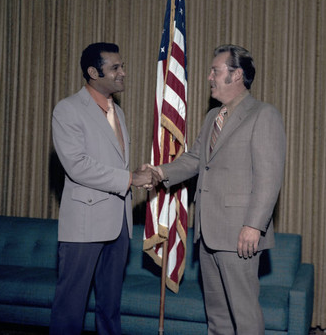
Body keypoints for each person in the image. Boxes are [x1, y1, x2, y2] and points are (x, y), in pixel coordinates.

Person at [150, 44, 286, 334]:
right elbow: (194, 160)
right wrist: (159, 172)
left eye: (215, 70)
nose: (209, 76)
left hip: (240, 234)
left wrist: (253, 226)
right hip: (208, 231)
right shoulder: (213, 117)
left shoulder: (264, 114)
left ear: (236, 75)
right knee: (218, 316)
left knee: (244, 314)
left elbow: (269, 177)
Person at [49, 42, 160, 335]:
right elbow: (78, 166)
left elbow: (111, 162)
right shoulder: (68, 109)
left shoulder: (117, 112)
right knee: (70, 306)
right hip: (84, 225)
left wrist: (134, 174)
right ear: (92, 72)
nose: (123, 72)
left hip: (119, 224)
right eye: (115, 68)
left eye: (121, 66)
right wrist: (129, 180)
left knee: (110, 307)